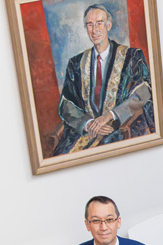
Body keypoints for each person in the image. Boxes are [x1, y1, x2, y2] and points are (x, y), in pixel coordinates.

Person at [52, 3, 155, 155]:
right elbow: (66, 104)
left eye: (99, 23)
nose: (94, 30)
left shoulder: (132, 57)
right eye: (90, 25)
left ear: (108, 25)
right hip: (86, 131)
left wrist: (109, 115)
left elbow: (143, 93)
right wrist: (87, 124)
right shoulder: (76, 63)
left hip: (117, 127)